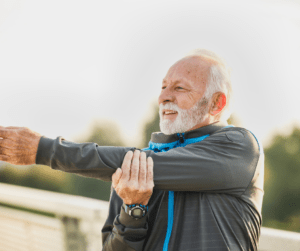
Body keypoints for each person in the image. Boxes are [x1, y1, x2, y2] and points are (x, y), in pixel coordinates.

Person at [0, 49, 264, 251]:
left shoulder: (239, 147)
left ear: (217, 103)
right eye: (163, 87)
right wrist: (133, 211)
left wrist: (43, 149)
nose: (163, 97)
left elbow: (149, 165)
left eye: (179, 88)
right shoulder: (131, 169)